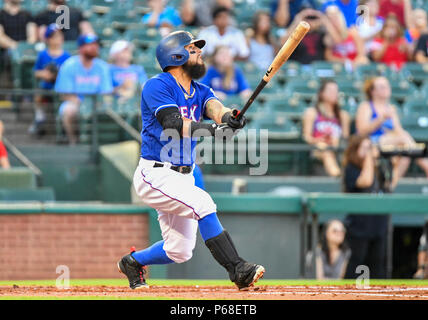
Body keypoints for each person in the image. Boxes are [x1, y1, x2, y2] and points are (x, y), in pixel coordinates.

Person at [117, 30, 265, 290]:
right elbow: (172, 123)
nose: (200, 53)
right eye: (193, 49)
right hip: (155, 173)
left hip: (184, 175)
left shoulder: (200, 90)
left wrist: (231, 117)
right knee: (203, 202)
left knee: (179, 251)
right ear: (176, 55)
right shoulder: (158, 85)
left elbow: (215, 109)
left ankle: (133, 261)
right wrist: (212, 130)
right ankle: (238, 269)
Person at [355, 76, 428, 189]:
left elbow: (398, 132)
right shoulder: (366, 106)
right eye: (382, 87)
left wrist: (392, 130)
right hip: (370, 144)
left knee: (406, 153)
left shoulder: (391, 108)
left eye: (387, 86)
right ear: (373, 91)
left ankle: (391, 185)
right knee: (405, 139)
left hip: (391, 144)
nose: (386, 89)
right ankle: (425, 165)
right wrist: (380, 119)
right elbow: (361, 131)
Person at [342, 134, 389, 279]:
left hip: (378, 225)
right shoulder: (351, 169)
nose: (369, 150)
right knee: (356, 264)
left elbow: (389, 186)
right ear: (355, 150)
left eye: (370, 147)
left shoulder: (379, 170)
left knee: (377, 266)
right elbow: (366, 181)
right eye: (365, 147)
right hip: (359, 227)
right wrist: (370, 156)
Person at [54, 34, 113, 145]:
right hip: (76, 102)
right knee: (67, 110)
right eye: (90, 45)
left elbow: (106, 92)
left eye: (96, 45)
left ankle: (103, 143)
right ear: (80, 48)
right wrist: (83, 104)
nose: (94, 48)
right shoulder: (69, 65)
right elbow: (64, 93)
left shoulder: (102, 67)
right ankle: (74, 141)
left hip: (98, 103)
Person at [302, 80, 350, 177]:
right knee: (325, 148)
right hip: (317, 148)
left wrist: (335, 141)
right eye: (331, 91)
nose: (334, 93)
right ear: (322, 93)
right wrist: (317, 140)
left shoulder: (343, 115)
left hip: (337, 147)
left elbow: (345, 138)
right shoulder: (312, 112)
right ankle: (337, 176)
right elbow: (306, 137)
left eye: (336, 91)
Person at [30, 23, 71, 136]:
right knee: (38, 95)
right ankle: (40, 118)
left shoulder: (67, 56)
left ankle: (62, 124)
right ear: (48, 39)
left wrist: (58, 75)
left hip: (62, 88)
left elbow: (70, 74)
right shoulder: (43, 55)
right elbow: (35, 71)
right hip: (47, 86)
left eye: (59, 35)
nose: (58, 39)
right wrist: (43, 74)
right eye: (54, 36)